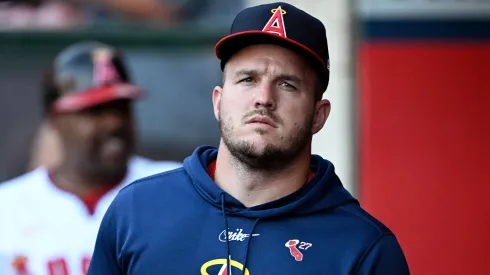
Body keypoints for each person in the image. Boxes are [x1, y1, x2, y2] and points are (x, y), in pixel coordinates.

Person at [88, 2, 410, 275]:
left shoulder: (364, 249)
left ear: (318, 115)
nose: (264, 98)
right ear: (218, 101)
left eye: (287, 84)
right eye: (247, 79)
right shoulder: (135, 212)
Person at [0, 41, 181, 275]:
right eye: (95, 112)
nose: (114, 122)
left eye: (121, 107)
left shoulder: (175, 187)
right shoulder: (8, 209)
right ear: (55, 121)